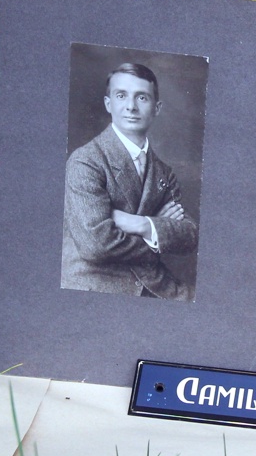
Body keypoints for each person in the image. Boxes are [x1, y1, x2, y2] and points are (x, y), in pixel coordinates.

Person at [61, 63, 198, 300]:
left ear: (157, 108)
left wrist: (140, 224)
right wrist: (158, 237)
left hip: (155, 283)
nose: (131, 107)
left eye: (142, 97)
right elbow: (95, 245)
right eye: (121, 95)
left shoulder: (164, 172)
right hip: (95, 282)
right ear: (108, 104)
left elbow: (189, 236)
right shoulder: (85, 161)